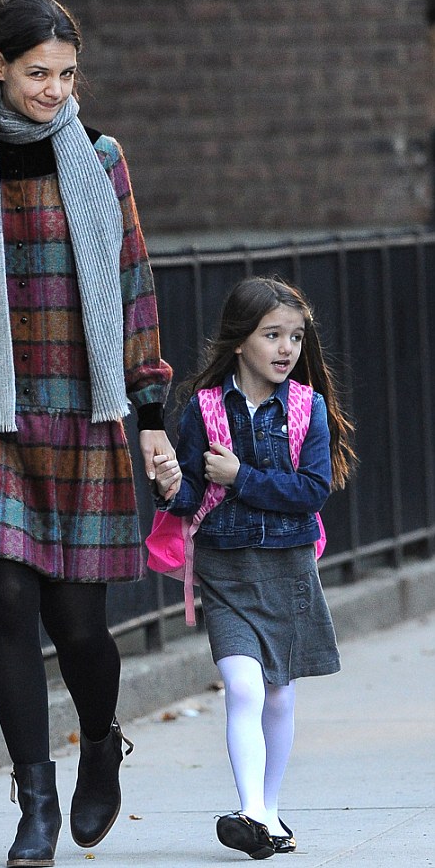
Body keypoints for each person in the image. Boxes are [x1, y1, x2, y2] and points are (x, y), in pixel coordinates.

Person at [0, 0, 177, 867]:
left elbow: (132, 279)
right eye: (37, 74)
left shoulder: (102, 158)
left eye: (66, 74)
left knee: (80, 626)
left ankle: (99, 739)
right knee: (9, 603)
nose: (55, 89)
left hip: (79, 405)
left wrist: (149, 411)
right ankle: (35, 802)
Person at [152, 275, 357, 860]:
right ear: (241, 341)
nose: (287, 348)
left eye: (295, 336)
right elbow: (190, 492)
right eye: (273, 335)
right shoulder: (203, 408)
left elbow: (312, 490)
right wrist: (171, 486)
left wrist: (240, 477)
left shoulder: (308, 409)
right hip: (225, 569)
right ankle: (248, 812)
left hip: (289, 570)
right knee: (243, 686)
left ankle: (268, 809)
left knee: (279, 696)